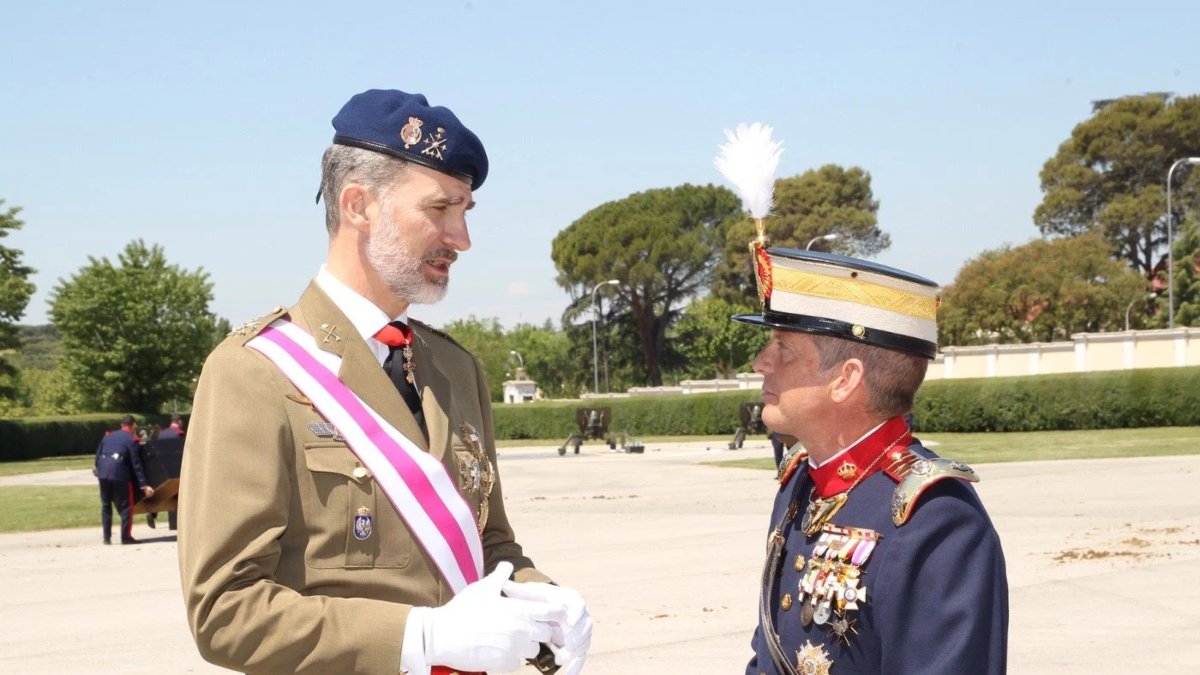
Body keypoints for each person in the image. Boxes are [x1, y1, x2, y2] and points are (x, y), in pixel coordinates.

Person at [178, 89, 591, 675]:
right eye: (439, 209)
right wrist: (418, 637)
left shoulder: (455, 369)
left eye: (466, 211)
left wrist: (541, 598)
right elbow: (226, 611)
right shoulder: (254, 372)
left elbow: (489, 545)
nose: (462, 238)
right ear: (358, 206)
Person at [734, 248, 1008, 674]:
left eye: (783, 350)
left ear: (845, 380)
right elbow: (769, 656)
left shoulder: (936, 520)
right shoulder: (801, 481)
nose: (760, 364)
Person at [95, 415, 155, 544]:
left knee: (106, 506)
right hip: (120, 473)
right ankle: (126, 537)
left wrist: (100, 470)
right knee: (126, 506)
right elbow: (136, 464)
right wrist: (144, 485)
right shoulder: (132, 439)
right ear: (133, 425)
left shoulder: (108, 436)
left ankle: (107, 538)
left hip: (103, 473)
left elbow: (98, 456)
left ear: (121, 424)